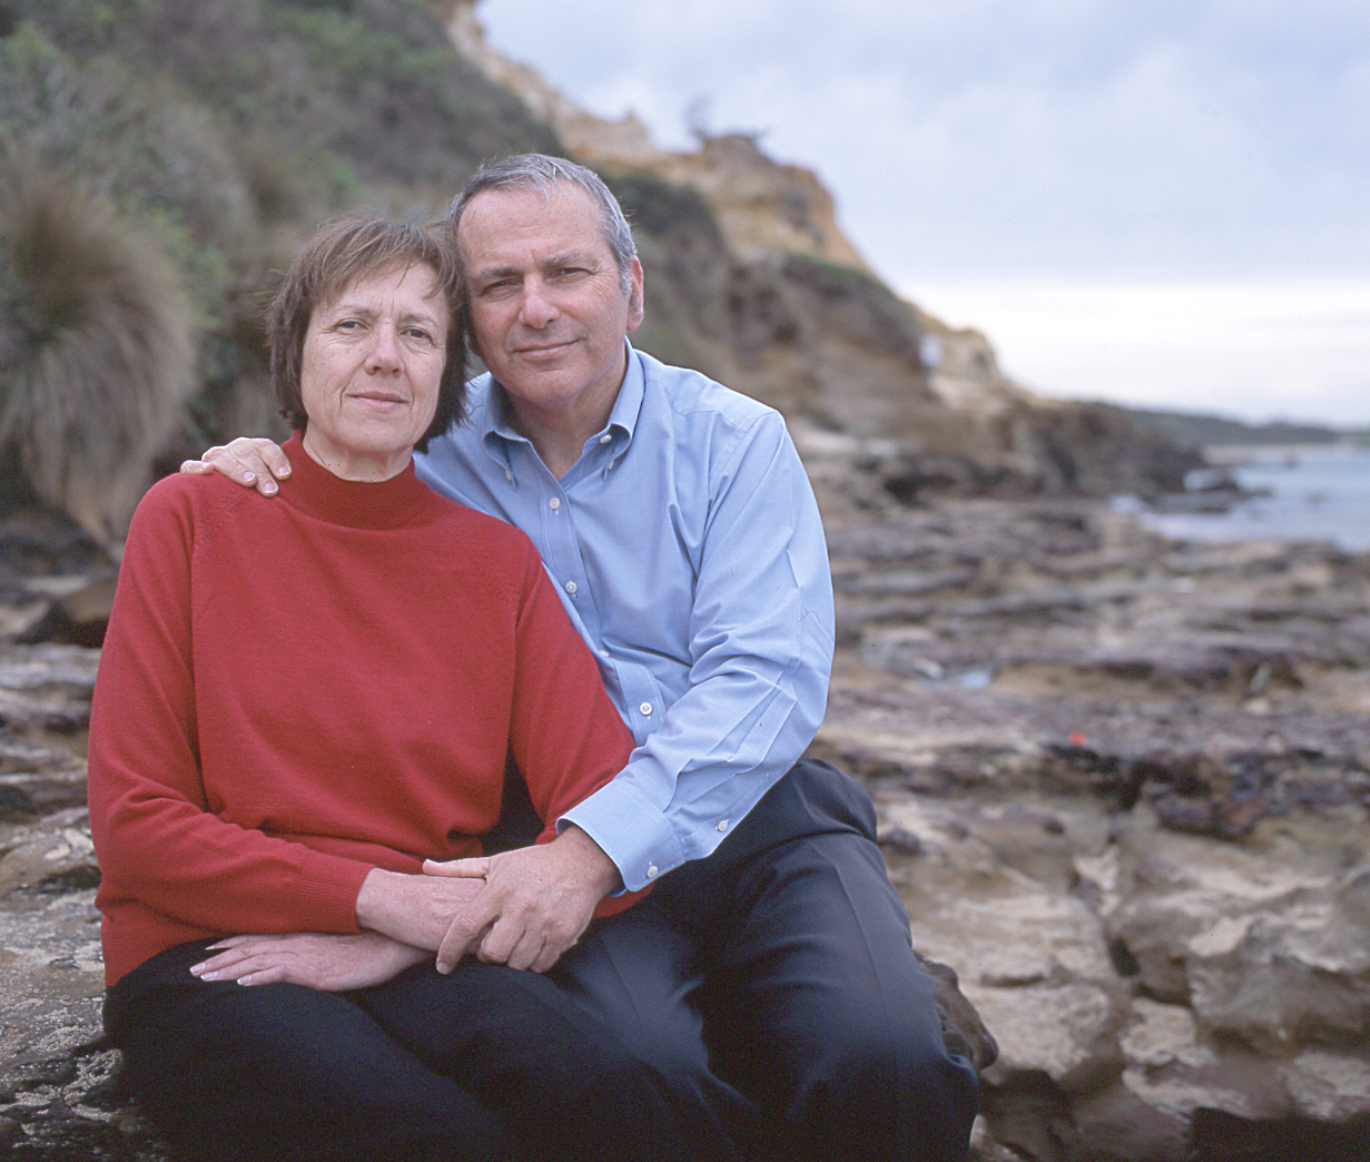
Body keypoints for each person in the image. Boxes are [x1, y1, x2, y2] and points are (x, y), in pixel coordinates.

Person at [193, 155, 980, 1160]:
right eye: (497, 285)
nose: (535, 309)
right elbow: (325, 491)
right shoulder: (427, 452)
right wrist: (252, 462)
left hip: (758, 824)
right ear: (469, 317)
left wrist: (593, 851)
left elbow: (766, 680)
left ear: (632, 289)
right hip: (538, 828)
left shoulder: (735, 441)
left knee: (886, 1057)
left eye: (566, 272)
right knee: (638, 1066)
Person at [90, 217, 722, 1162]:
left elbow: (609, 815)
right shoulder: (191, 517)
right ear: (295, 351)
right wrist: (371, 898)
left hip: (428, 949)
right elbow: (137, 825)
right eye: (352, 327)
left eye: (418, 334)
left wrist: (395, 933)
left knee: (622, 1105)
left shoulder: (492, 563)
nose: (386, 357)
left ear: (447, 376)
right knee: (428, 1140)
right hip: (213, 951)